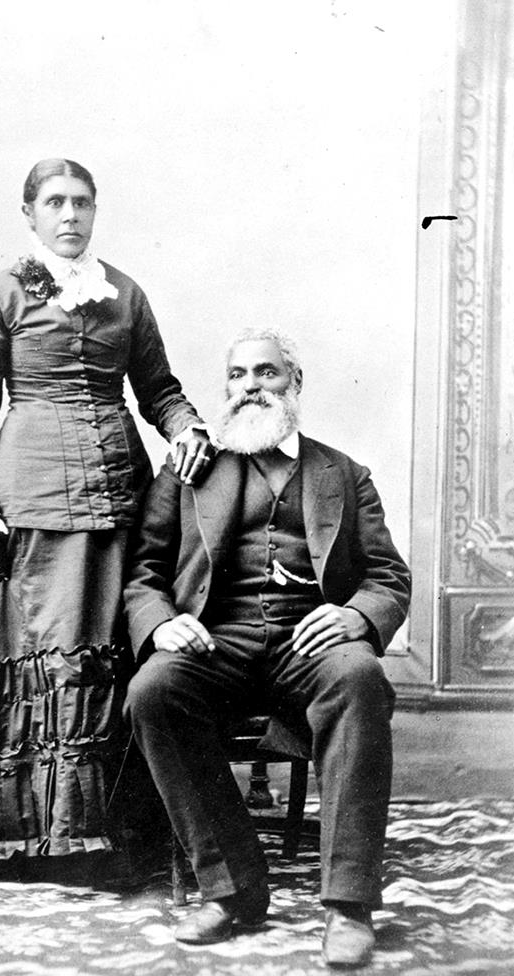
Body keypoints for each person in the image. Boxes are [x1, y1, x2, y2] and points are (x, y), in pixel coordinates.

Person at [0, 158, 212, 865]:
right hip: (30, 494)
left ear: (95, 212)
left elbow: (158, 387)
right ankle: (28, 835)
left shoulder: (124, 293)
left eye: (82, 203)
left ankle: (118, 829)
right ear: (30, 214)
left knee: (115, 641)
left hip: (119, 490)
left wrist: (186, 426)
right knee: (36, 649)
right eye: (55, 203)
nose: (70, 216)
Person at [124, 327, 410, 967]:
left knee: (360, 679)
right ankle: (231, 890)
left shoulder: (341, 472)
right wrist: (162, 622)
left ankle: (347, 906)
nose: (250, 386)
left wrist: (357, 616)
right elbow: (143, 571)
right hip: (214, 640)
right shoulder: (191, 470)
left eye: (266, 373)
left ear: (295, 384)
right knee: (152, 693)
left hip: (308, 644)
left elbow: (388, 576)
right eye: (237, 375)